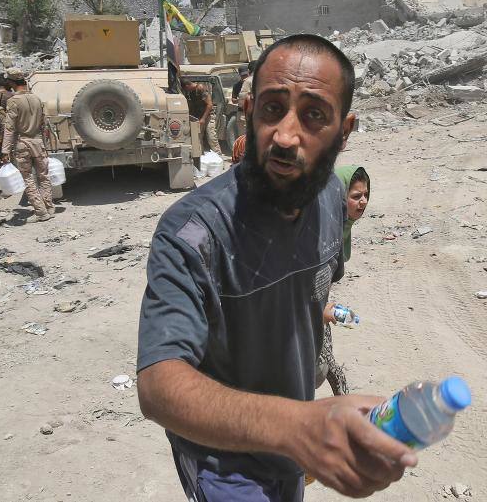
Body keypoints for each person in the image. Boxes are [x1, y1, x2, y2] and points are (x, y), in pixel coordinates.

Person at [137, 34, 416, 501]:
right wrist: (297, 426)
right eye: (272, 109)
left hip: (291, 455)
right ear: (248, 112)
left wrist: (308, 427)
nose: (285, 135)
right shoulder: (192, 233)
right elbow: (158, 384)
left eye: (313, 115)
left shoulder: (331, 199)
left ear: (344, 132)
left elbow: (310, 295)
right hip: (225, 464)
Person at [315, 166, 372, 398]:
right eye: (356, 196)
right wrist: (319, 312)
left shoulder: (340, 226)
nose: (363, 202)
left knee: (328, 368)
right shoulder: (319, 231)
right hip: (302, 317)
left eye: (366, 195)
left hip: (319, 310)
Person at [1, 67, 55, 223]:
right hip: (39, 142)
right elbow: (44, 124)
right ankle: (49, 207)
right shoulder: (36, 98)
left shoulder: (13, 101)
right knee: (44, 176)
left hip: (23, 143)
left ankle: (41, 212)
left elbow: (10, 128)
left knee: (28, 178)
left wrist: (5, 150)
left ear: (12, 82)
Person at [180, 78, 221, 155]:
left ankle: (218, 156)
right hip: (198, 117)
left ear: (187, 86)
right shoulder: (190, 92)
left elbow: (209, 105)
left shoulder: (200, 88)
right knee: (198, 138)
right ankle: (200, 156)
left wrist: (203, 118)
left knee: (211, 137)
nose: (186, 90)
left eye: (185, 89)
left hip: (208, 116)